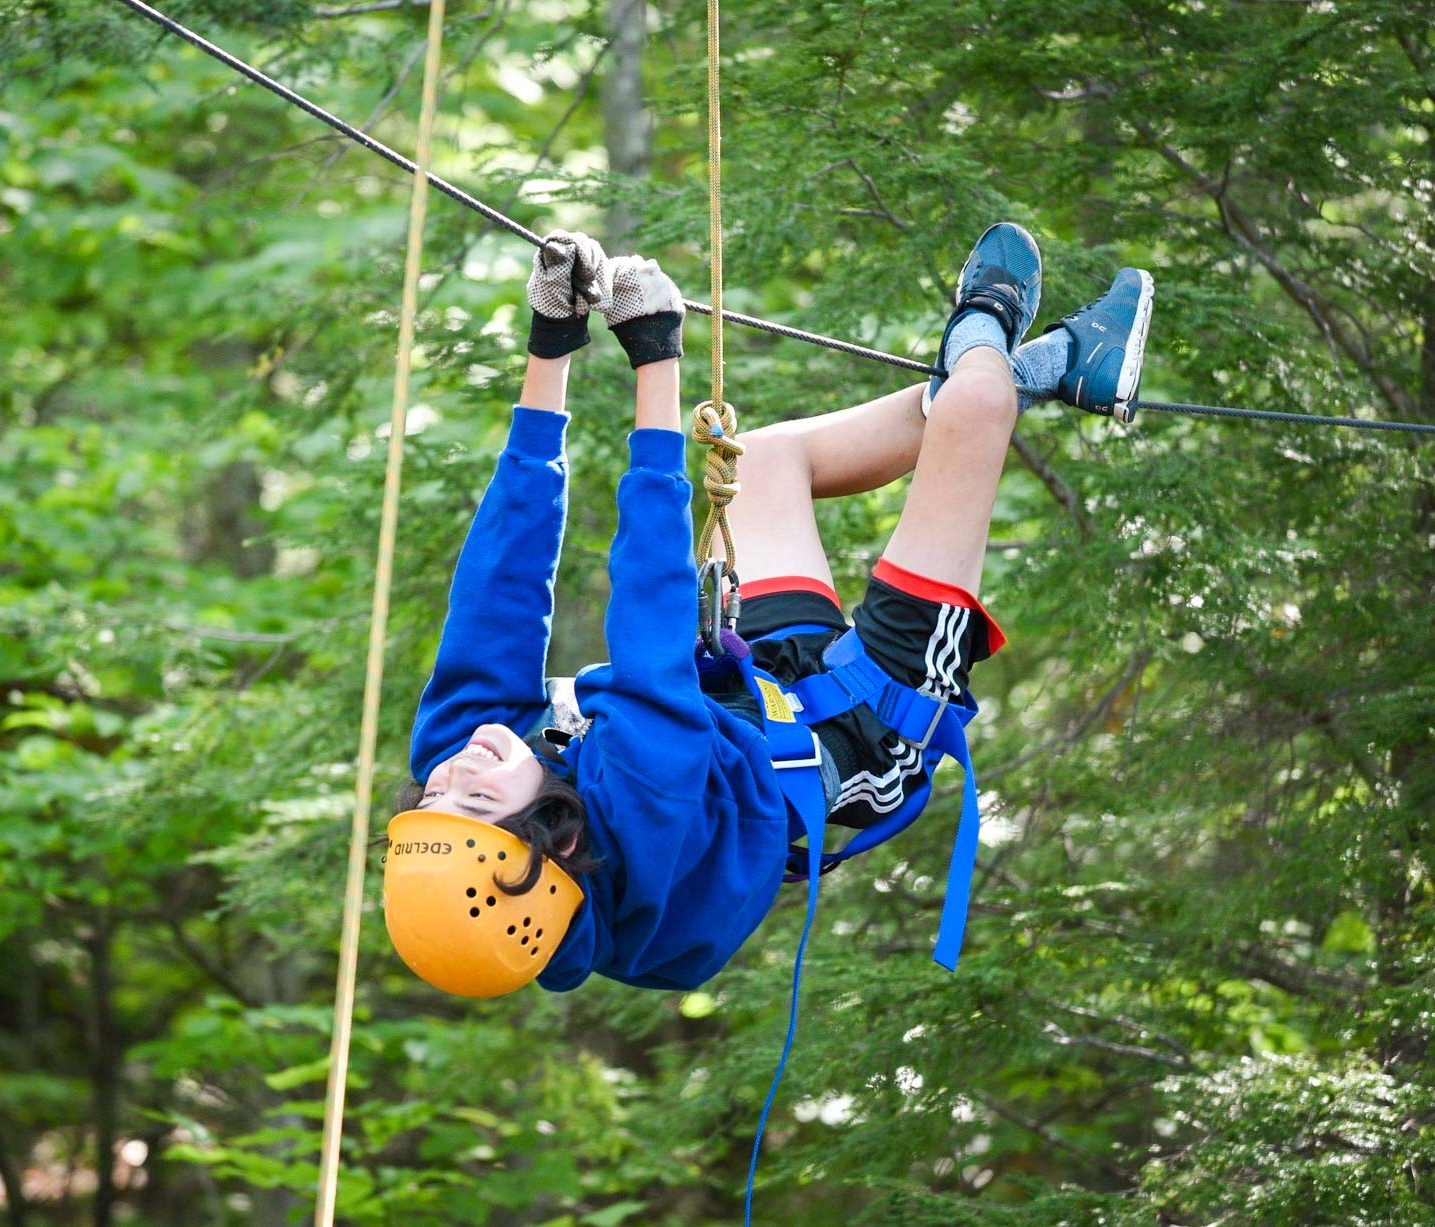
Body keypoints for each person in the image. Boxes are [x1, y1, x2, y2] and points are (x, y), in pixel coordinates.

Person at [381, 224, 1153, 997]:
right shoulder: (642, 812)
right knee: (978, 404)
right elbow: (649, 612)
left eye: (437, 796)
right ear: (562, 834)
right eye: (477, 797)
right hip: (863, 733)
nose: (455, 771)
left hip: (747, 696)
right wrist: (656, 355)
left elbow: (497, 593)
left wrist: (550, 344)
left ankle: (1057, 364)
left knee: (773, 461)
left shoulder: (459, 756)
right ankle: (991, 336)